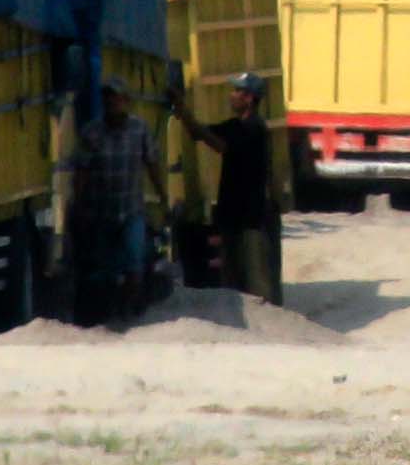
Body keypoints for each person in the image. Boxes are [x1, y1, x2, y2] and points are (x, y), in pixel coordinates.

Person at [186, 70, 284, 305]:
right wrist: (183, 114)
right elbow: (200, 133)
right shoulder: (236, 125)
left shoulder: (254, 129)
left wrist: (185, 112)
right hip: (232, 214)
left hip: (250, 217)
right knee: (233, 278)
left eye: (236, 91)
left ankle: (269, 333)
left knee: (256, 282)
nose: (231, 96)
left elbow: (218, 144)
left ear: (249, 98)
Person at [68, 86, 164, 320]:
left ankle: (130, 312)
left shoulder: (139, 130)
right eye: (108, 99)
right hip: (101, 212)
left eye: (117, 99)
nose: (112, 104)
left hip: (131, 211)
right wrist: (77, 205)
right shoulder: (92, 133)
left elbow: (152, 165)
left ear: (126, 101)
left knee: (134, 263)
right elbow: (82, 172)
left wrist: (163, 197)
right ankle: (108, 312)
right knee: (105, 269)